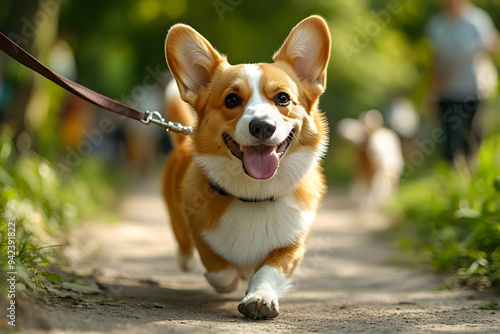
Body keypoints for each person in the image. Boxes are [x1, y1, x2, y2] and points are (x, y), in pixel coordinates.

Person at [426, 0, 498, 163]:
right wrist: (433, 88)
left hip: (476, 88)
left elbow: (492, 45)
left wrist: (466, 56)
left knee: (472, 136)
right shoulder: (437, 24)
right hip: (448, 90)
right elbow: (434, 59)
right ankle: (456, 175)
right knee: (450, 138)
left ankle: (473, 170)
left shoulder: (478, 20)